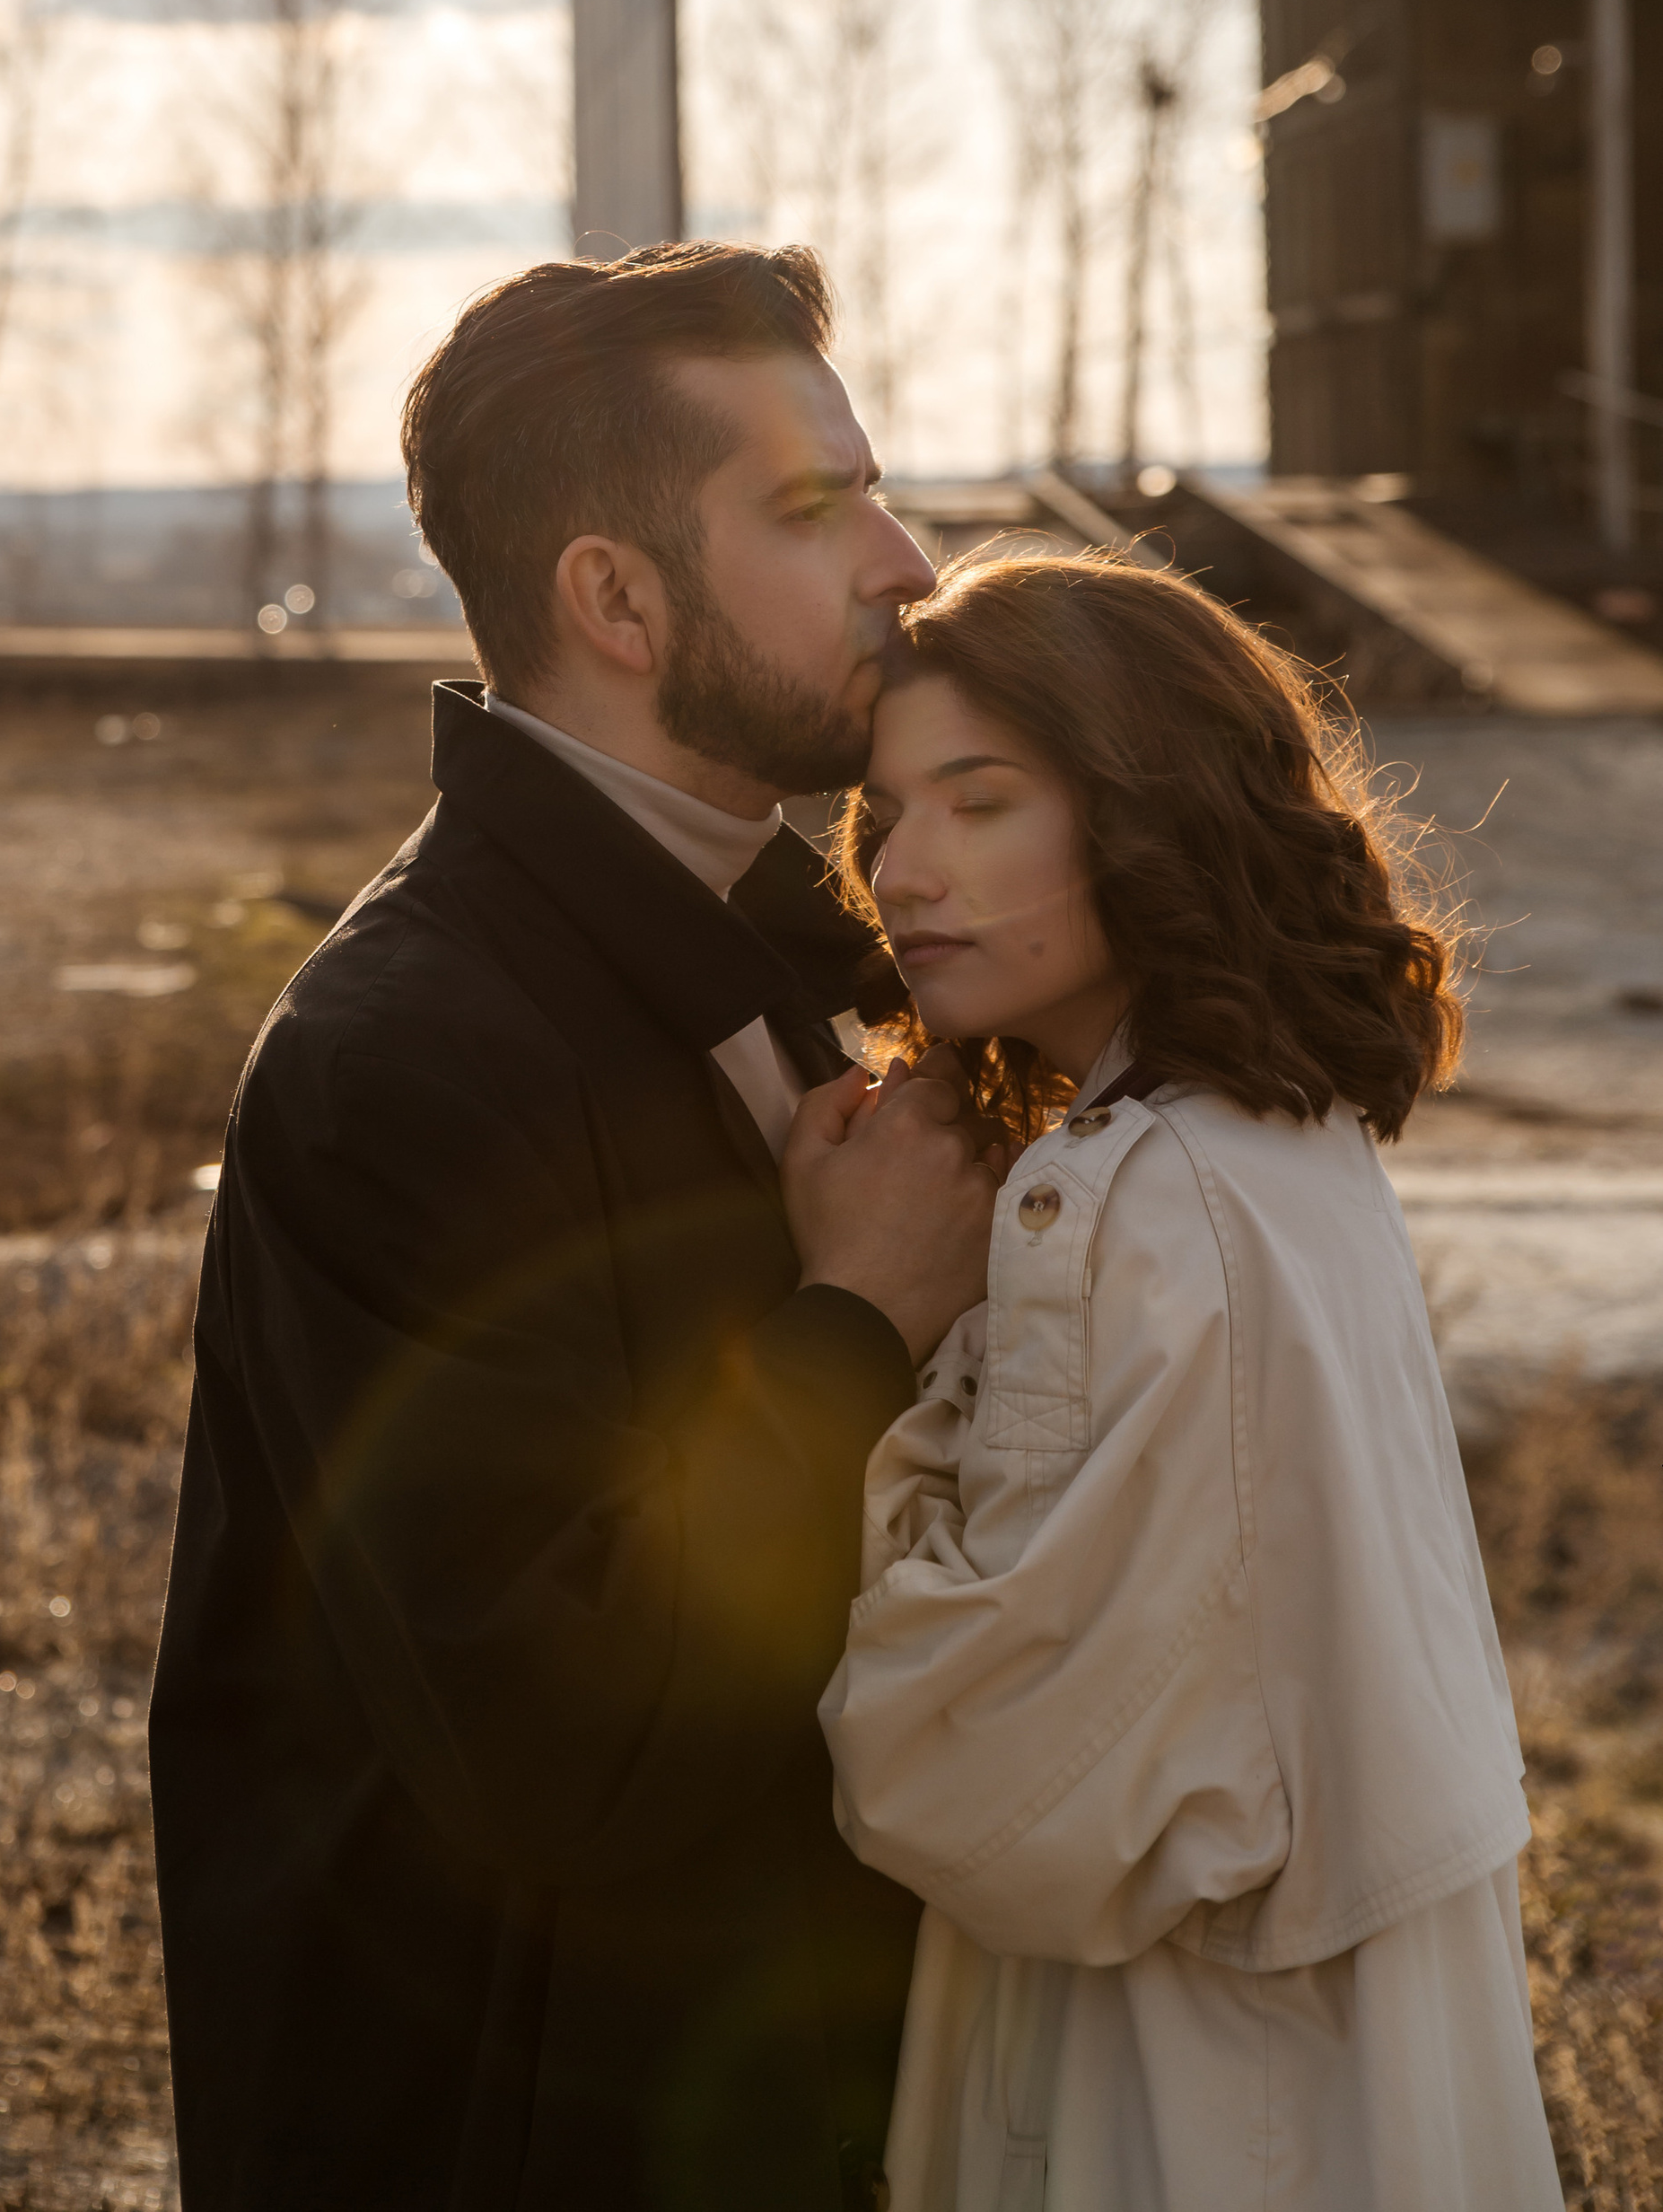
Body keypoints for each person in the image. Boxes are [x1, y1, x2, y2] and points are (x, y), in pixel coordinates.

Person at [150, 242, 1002, 2212]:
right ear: (612, 598)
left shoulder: (781, 948)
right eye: (812, 505)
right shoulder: (402, 1058)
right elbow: (560, 1731)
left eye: (874, 483)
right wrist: (855, 1318)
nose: (905, 558)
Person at [816, 546, 1562, 2212]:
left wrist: (859, 1325)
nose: (903, 871)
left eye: (979, 800)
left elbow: (975, 1784)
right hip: (1363, 2053)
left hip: (1186, 2091)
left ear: (1142, 805)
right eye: (884, 815)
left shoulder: (1132, 1203)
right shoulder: (1284, 1136)